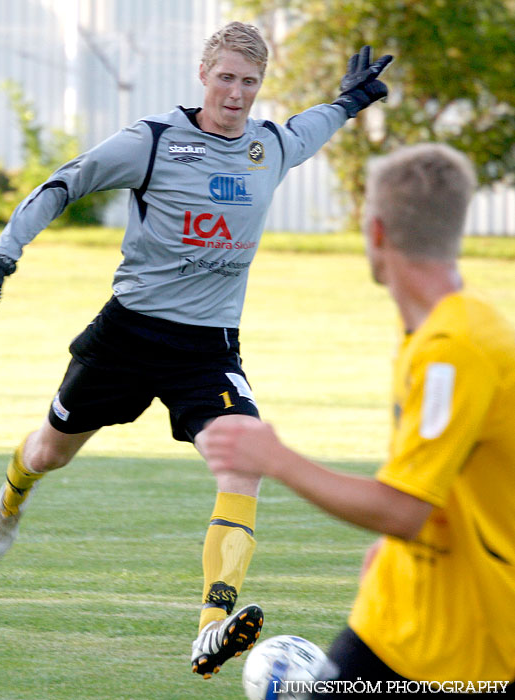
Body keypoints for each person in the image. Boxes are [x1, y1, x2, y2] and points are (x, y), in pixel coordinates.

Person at [0, 22, 392, 679]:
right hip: (127, 335)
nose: (237, 93)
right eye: (226, 78)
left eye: (249, 81)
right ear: (202, 74)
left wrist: (352, 100)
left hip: (206, 351)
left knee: (244, 461)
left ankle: (210, 625)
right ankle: (12, 496)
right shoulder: (153, 142)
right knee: (49, 451)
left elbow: (315, 123)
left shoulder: (267, 148)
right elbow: (64, 183)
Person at [200, 143, 515, 690]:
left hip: (460, 643)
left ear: (375, 233)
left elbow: (404, 510)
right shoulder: (440, 327)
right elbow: (433, 485)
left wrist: (274, 458)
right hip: (399, 612)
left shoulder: (454, 348)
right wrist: (391, 549)